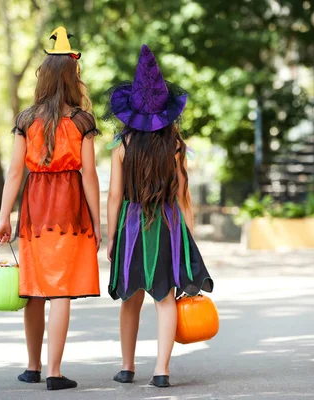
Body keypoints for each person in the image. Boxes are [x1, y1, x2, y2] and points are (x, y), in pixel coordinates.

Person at [0, 26, 101, 391]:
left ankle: (32, 366)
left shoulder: (26, 120)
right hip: (70, 210)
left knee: (34, 289)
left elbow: (13, 174)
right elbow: (89, 177)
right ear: (74, 78)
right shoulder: (82, 121)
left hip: (34, 212)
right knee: (61, 291)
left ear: (43, 78)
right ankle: (55, 373)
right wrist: (98, 223)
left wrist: (3, 216)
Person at [105, 44, 213, 388]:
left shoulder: (122, 146)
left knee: (129, 300)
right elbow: (184, 196)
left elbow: (114, 195)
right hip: (167, 226)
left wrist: (111, 238)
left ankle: (126, 366)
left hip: (131, 225)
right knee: (165, 299)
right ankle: (162, 370)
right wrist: (189, 239)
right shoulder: (176, 146)